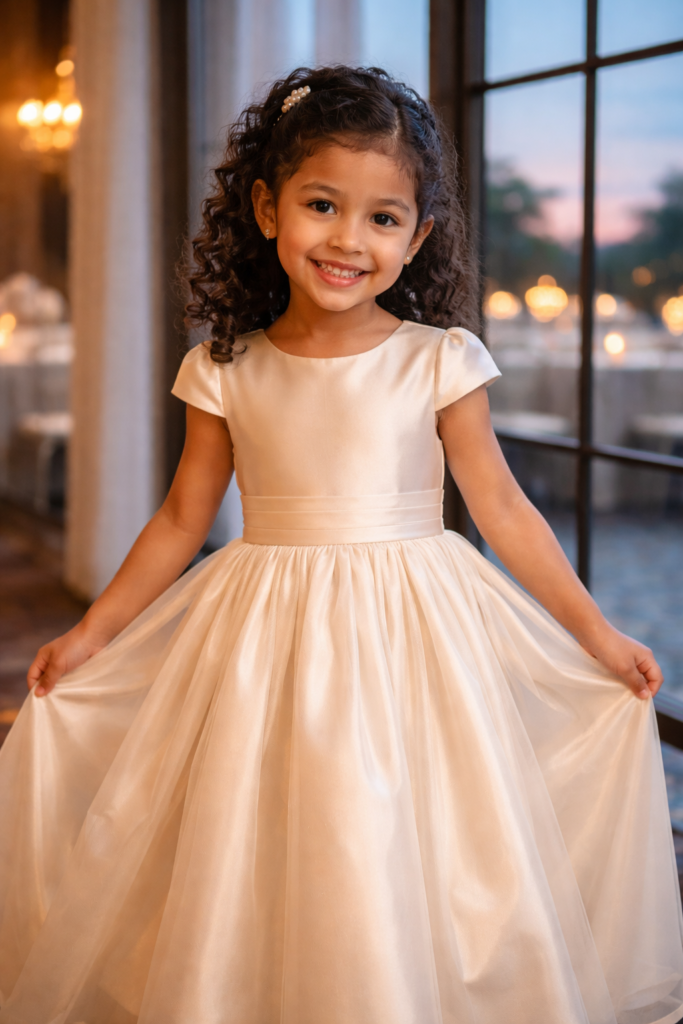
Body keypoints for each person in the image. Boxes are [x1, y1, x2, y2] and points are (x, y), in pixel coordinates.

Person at [0, 65, 681, 1024]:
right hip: (265, 635)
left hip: (417, 629)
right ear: (266, 207)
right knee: (277, 824)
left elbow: (502, 508)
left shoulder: (438, 359)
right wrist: (91, 634)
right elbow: (181, 520)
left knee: (406, 829)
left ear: (418, 237)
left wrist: (596, 635)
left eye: (382, 218)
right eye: (322, 205)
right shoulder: (223, 368)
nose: (349, 240)